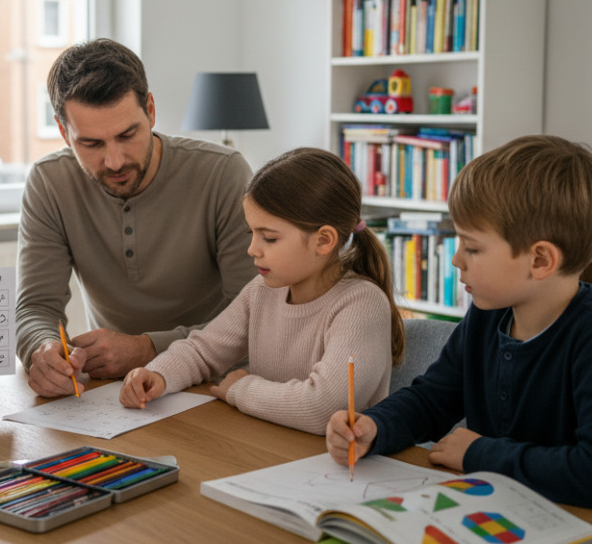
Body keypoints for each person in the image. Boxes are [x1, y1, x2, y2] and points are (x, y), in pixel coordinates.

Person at [325, 135, 592, 511]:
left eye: (472, 247)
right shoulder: (488, 314)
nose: (456, 260)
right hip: (498, 513)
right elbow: (433, 400)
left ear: (540, 260)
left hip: (585, 529)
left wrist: (479, 454)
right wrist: (375, 426)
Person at [17, 38, 257, 397]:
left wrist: (148, 348)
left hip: (214, 383)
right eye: (91, 144)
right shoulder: (49, 182)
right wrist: (44, 350)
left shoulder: (223, 173)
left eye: (127, 135)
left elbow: (255, 317)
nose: (114, 161)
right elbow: (35, 308)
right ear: (64, 132)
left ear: (150, 110)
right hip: (114, 393)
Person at [119, 148, 403, 435]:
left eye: (269, 238)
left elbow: (324, 408)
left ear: (323, 240)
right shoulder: (261, 292)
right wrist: (158, 374)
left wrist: (240, 388)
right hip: (267, 447)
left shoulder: (361, 304)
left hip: (335, 460)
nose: (252, 249)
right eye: (251, 233)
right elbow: (203, 351)